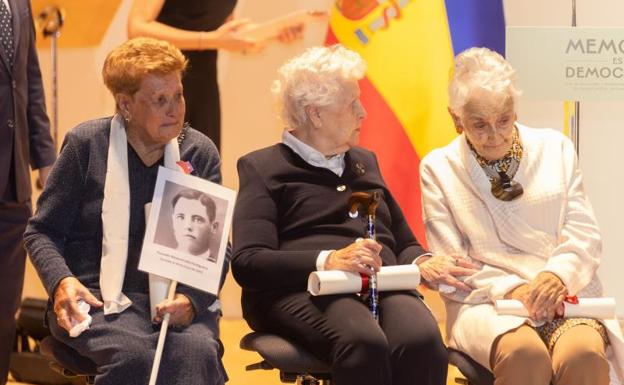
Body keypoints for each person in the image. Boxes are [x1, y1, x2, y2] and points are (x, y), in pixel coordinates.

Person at [232, 45, 478, 385]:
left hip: (380, 284)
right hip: (303, 289)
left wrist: (422, 261)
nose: (363, 113)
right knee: (363, 343)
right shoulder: (263, 168)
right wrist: (328, 260)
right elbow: (248, 262)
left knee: (423, 340)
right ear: (315, 114)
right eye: (352, 105)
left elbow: (402, 240)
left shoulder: (365, 161)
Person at [24, 38, 227, 385]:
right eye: (160, 100)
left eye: (178, 95)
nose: (175, 109)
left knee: (197, 351)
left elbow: (218, 247)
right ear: (126, 104)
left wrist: (192, 301)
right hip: (98, 298)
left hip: (176, 296)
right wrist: (62, 281)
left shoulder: (198, 151)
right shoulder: (87, 145)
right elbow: (41, 232)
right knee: (136, 356)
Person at [420, 47, 624, 385]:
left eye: (504, 119)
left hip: (562, 293)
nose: (496, 135)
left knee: (584, 355)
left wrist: (557, 277)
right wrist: (514, 289)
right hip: (486, 301)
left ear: (515, 109)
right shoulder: (438, 167)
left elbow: (584, 233)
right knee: (524, 356)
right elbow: (451, 266)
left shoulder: (554, 148)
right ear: (456, 119)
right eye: (479, 125)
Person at [127, 0, 304, 151]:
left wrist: (270, 33)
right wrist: (210, 40)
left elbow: (220, 29)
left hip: (203, 85)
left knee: (197, 173)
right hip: (158, 83)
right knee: (149, 175)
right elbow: (137, 27)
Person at [0, 0, 56, 383]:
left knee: (5, 309)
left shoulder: (19, 3)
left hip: (12, 178)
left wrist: (45, 159)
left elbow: (29, 84)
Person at [171, 189, 219, 260]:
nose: (188, 226)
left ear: (213, 228)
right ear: (173, 220)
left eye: (197, 220)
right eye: (181, 217)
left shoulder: (220, 267)